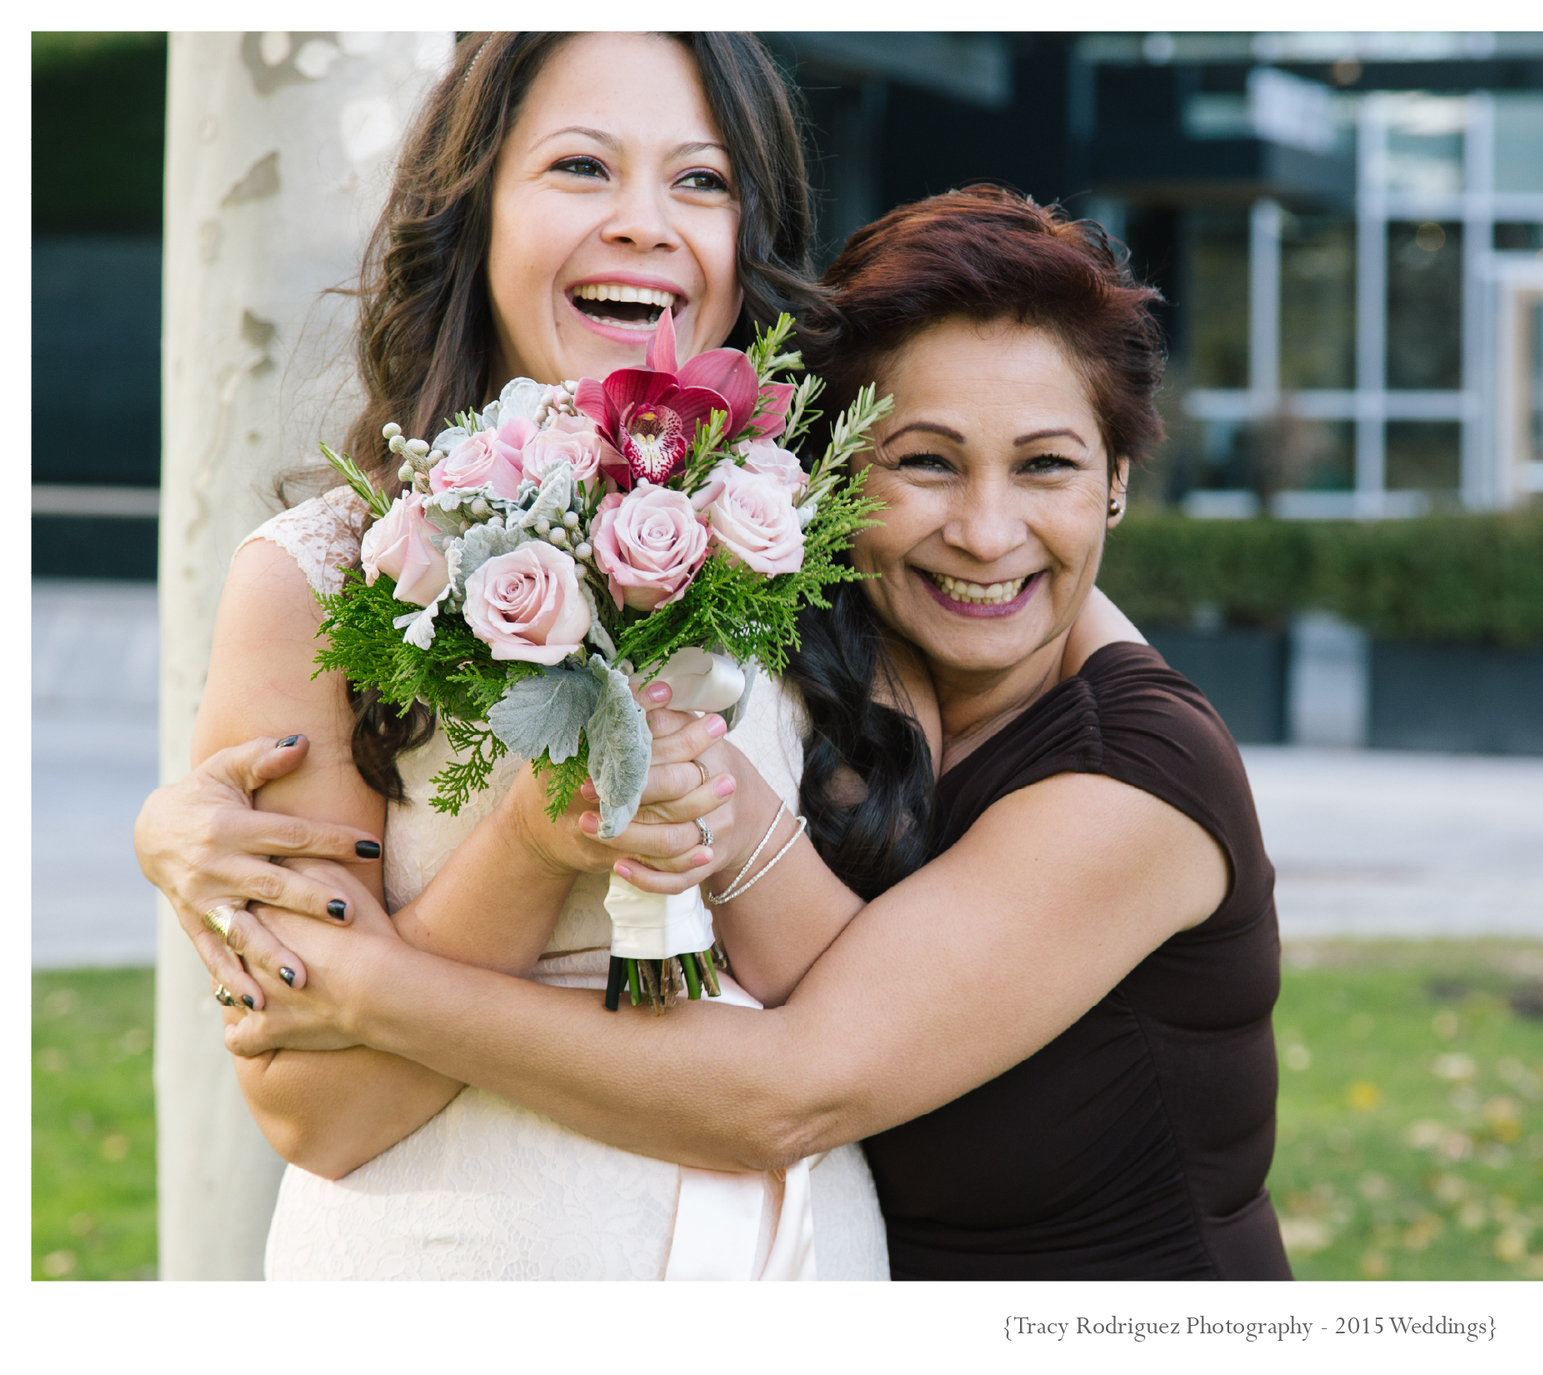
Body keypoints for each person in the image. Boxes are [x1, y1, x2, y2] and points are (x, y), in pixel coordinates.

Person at [148, 185, 1294, 1280]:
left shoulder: (1134, 781)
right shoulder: (849, 653)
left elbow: (785, 1091)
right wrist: (168, 821)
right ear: (827, 477)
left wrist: (367, 991)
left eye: (1047, 464)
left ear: (1117, 485)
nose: (988, 533)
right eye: (927, 461)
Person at [133, 30, 888, 1279]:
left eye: (700, 181)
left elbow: (851, 1002)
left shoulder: (804, 545)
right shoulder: (317, 575)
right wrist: (537, 838)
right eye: (582, 167)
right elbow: (319, 1112)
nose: (646, 223)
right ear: (474, 210)